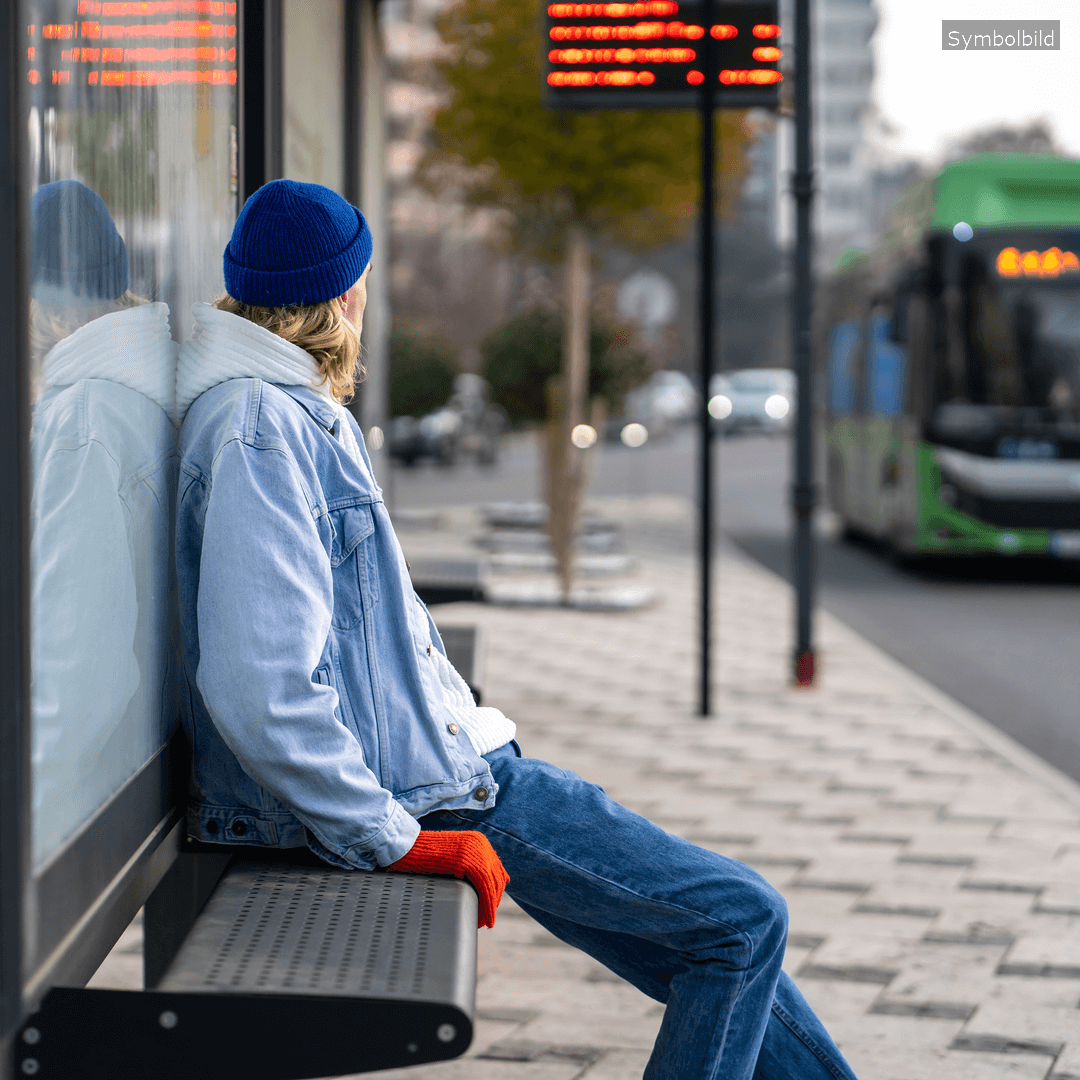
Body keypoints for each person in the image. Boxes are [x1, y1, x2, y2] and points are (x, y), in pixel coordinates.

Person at [175, 179, 859, 1080]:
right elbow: (259, 685)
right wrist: (394, 836)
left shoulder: (284, 410)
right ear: (345, 292)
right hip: (437, 791)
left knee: (724, 942)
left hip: (443, 761)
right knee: (740, 922)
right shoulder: (262, 426)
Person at [30, 179, 178, 865]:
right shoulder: (128, 389)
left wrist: (21, 824)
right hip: (136, 769)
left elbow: (81, 672)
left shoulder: (83, 420)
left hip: (90, 791)